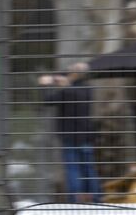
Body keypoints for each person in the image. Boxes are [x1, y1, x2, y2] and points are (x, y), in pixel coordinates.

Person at [39, 62, 100, 203]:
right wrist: (65, 85)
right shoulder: (88, 89)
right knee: (88, 167)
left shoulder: (67, 91)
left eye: (69, 71)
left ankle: (75, 199)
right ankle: (95, 197)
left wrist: (45, 85)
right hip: (86, 135)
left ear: (73, 74)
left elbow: (48, 100)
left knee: (73, 168)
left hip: (70, 135)